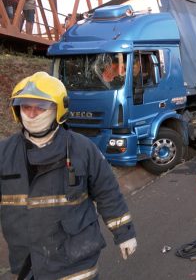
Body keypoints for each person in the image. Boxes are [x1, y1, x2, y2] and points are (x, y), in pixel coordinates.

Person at [0, 72, 137, 279]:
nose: (32, 114)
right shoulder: (4, 153)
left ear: (58, 108)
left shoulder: (82, 149)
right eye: (26, 107)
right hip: (28, 262)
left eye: (40, 107)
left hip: (75, 260)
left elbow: (107, 192)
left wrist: (124, 232)